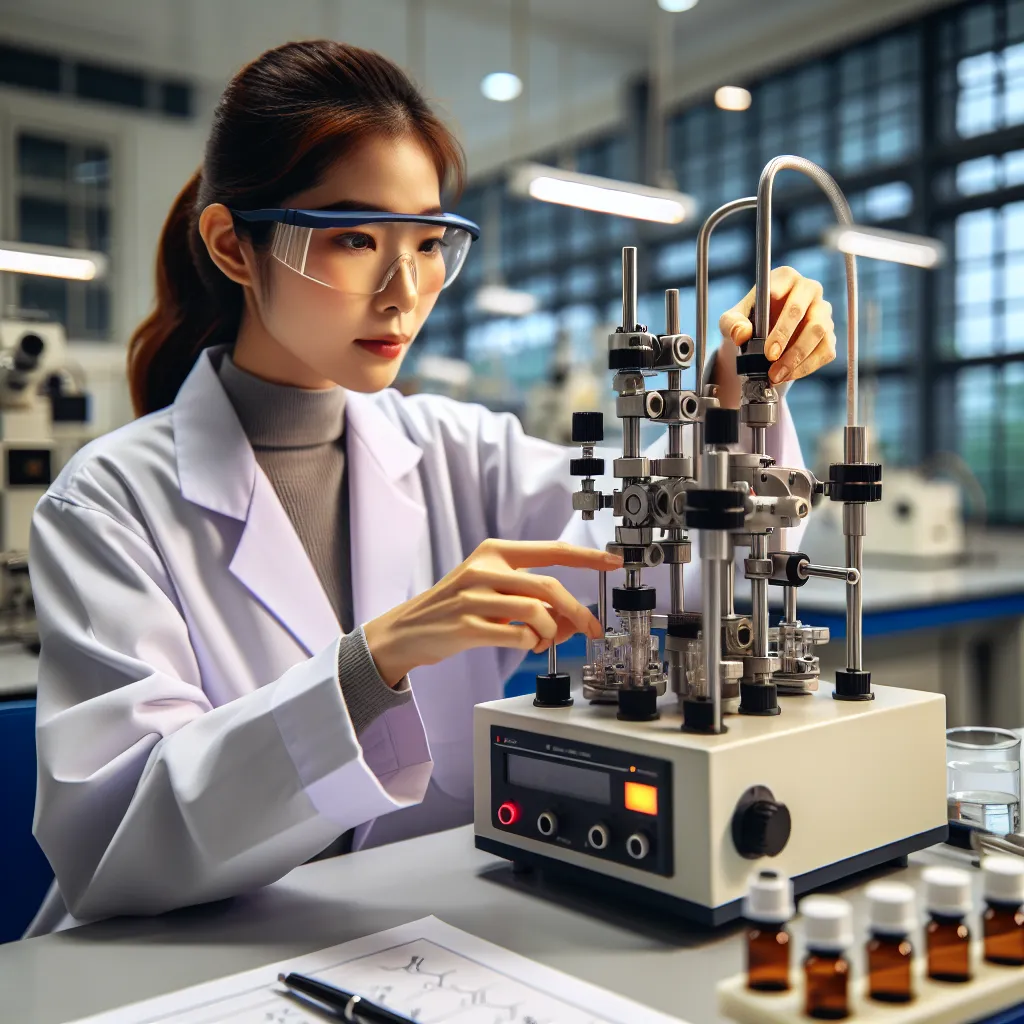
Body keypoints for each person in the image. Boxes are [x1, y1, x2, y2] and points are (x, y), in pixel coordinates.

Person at [26, 40, 836, 934]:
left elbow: (684, 579)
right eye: (354, 238)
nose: (402, 291)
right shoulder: (108, 501)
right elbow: (113, 839)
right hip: (178, 965)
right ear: (232, 246)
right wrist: (371, 665)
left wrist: (737, 394)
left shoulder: (462, 451)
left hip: (425, 942)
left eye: (428, 242)